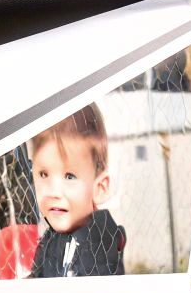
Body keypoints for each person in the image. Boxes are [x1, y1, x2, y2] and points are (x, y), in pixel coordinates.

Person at [27, 104, 125, 278]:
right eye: (44, 174)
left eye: (69, 176)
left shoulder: (100, 238)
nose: (53, 191)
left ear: (99, 188)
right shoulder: (52, 238)